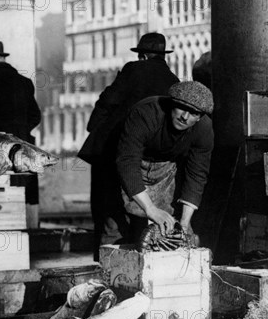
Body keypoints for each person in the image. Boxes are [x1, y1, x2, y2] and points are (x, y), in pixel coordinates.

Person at [77, 33, 180, 260]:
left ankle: (106, 266)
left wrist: (94, 126)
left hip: (112, 150)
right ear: (163, 56)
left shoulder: (133, 69)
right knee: (141, 212)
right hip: (151, 157)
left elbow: (108, 100)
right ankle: (138, 262)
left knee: (110, 211)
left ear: (142, 55)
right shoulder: (174, 81)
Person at [116, 81, 214, 244]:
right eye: (182, 108)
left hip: (165, 168)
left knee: (174, 232)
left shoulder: (203, 129)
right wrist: (150, 208)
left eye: (193, 113)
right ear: (171, 104)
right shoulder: (146, 112)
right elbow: (127, 161)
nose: (185, 117)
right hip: (125, 160)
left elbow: (197, 175)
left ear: (199, 117)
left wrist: (184, 221)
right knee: (118, 225)